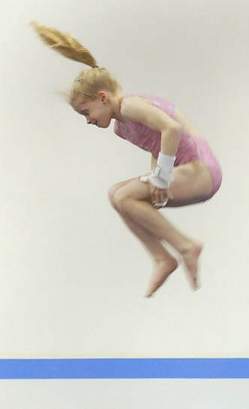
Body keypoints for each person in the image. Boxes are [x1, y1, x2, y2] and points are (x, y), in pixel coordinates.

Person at [32, 22, 222, 297]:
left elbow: (171, 129)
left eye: (86, 112)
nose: (88, 121)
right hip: (186, 173)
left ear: (102, 97)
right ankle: (161, 257)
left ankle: (185, 246)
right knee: (116, 195)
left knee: (124, 196)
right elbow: (157, 145)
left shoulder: (130, 105)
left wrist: (161, 178)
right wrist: (155, 177)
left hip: (201, 170)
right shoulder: (121, 127)